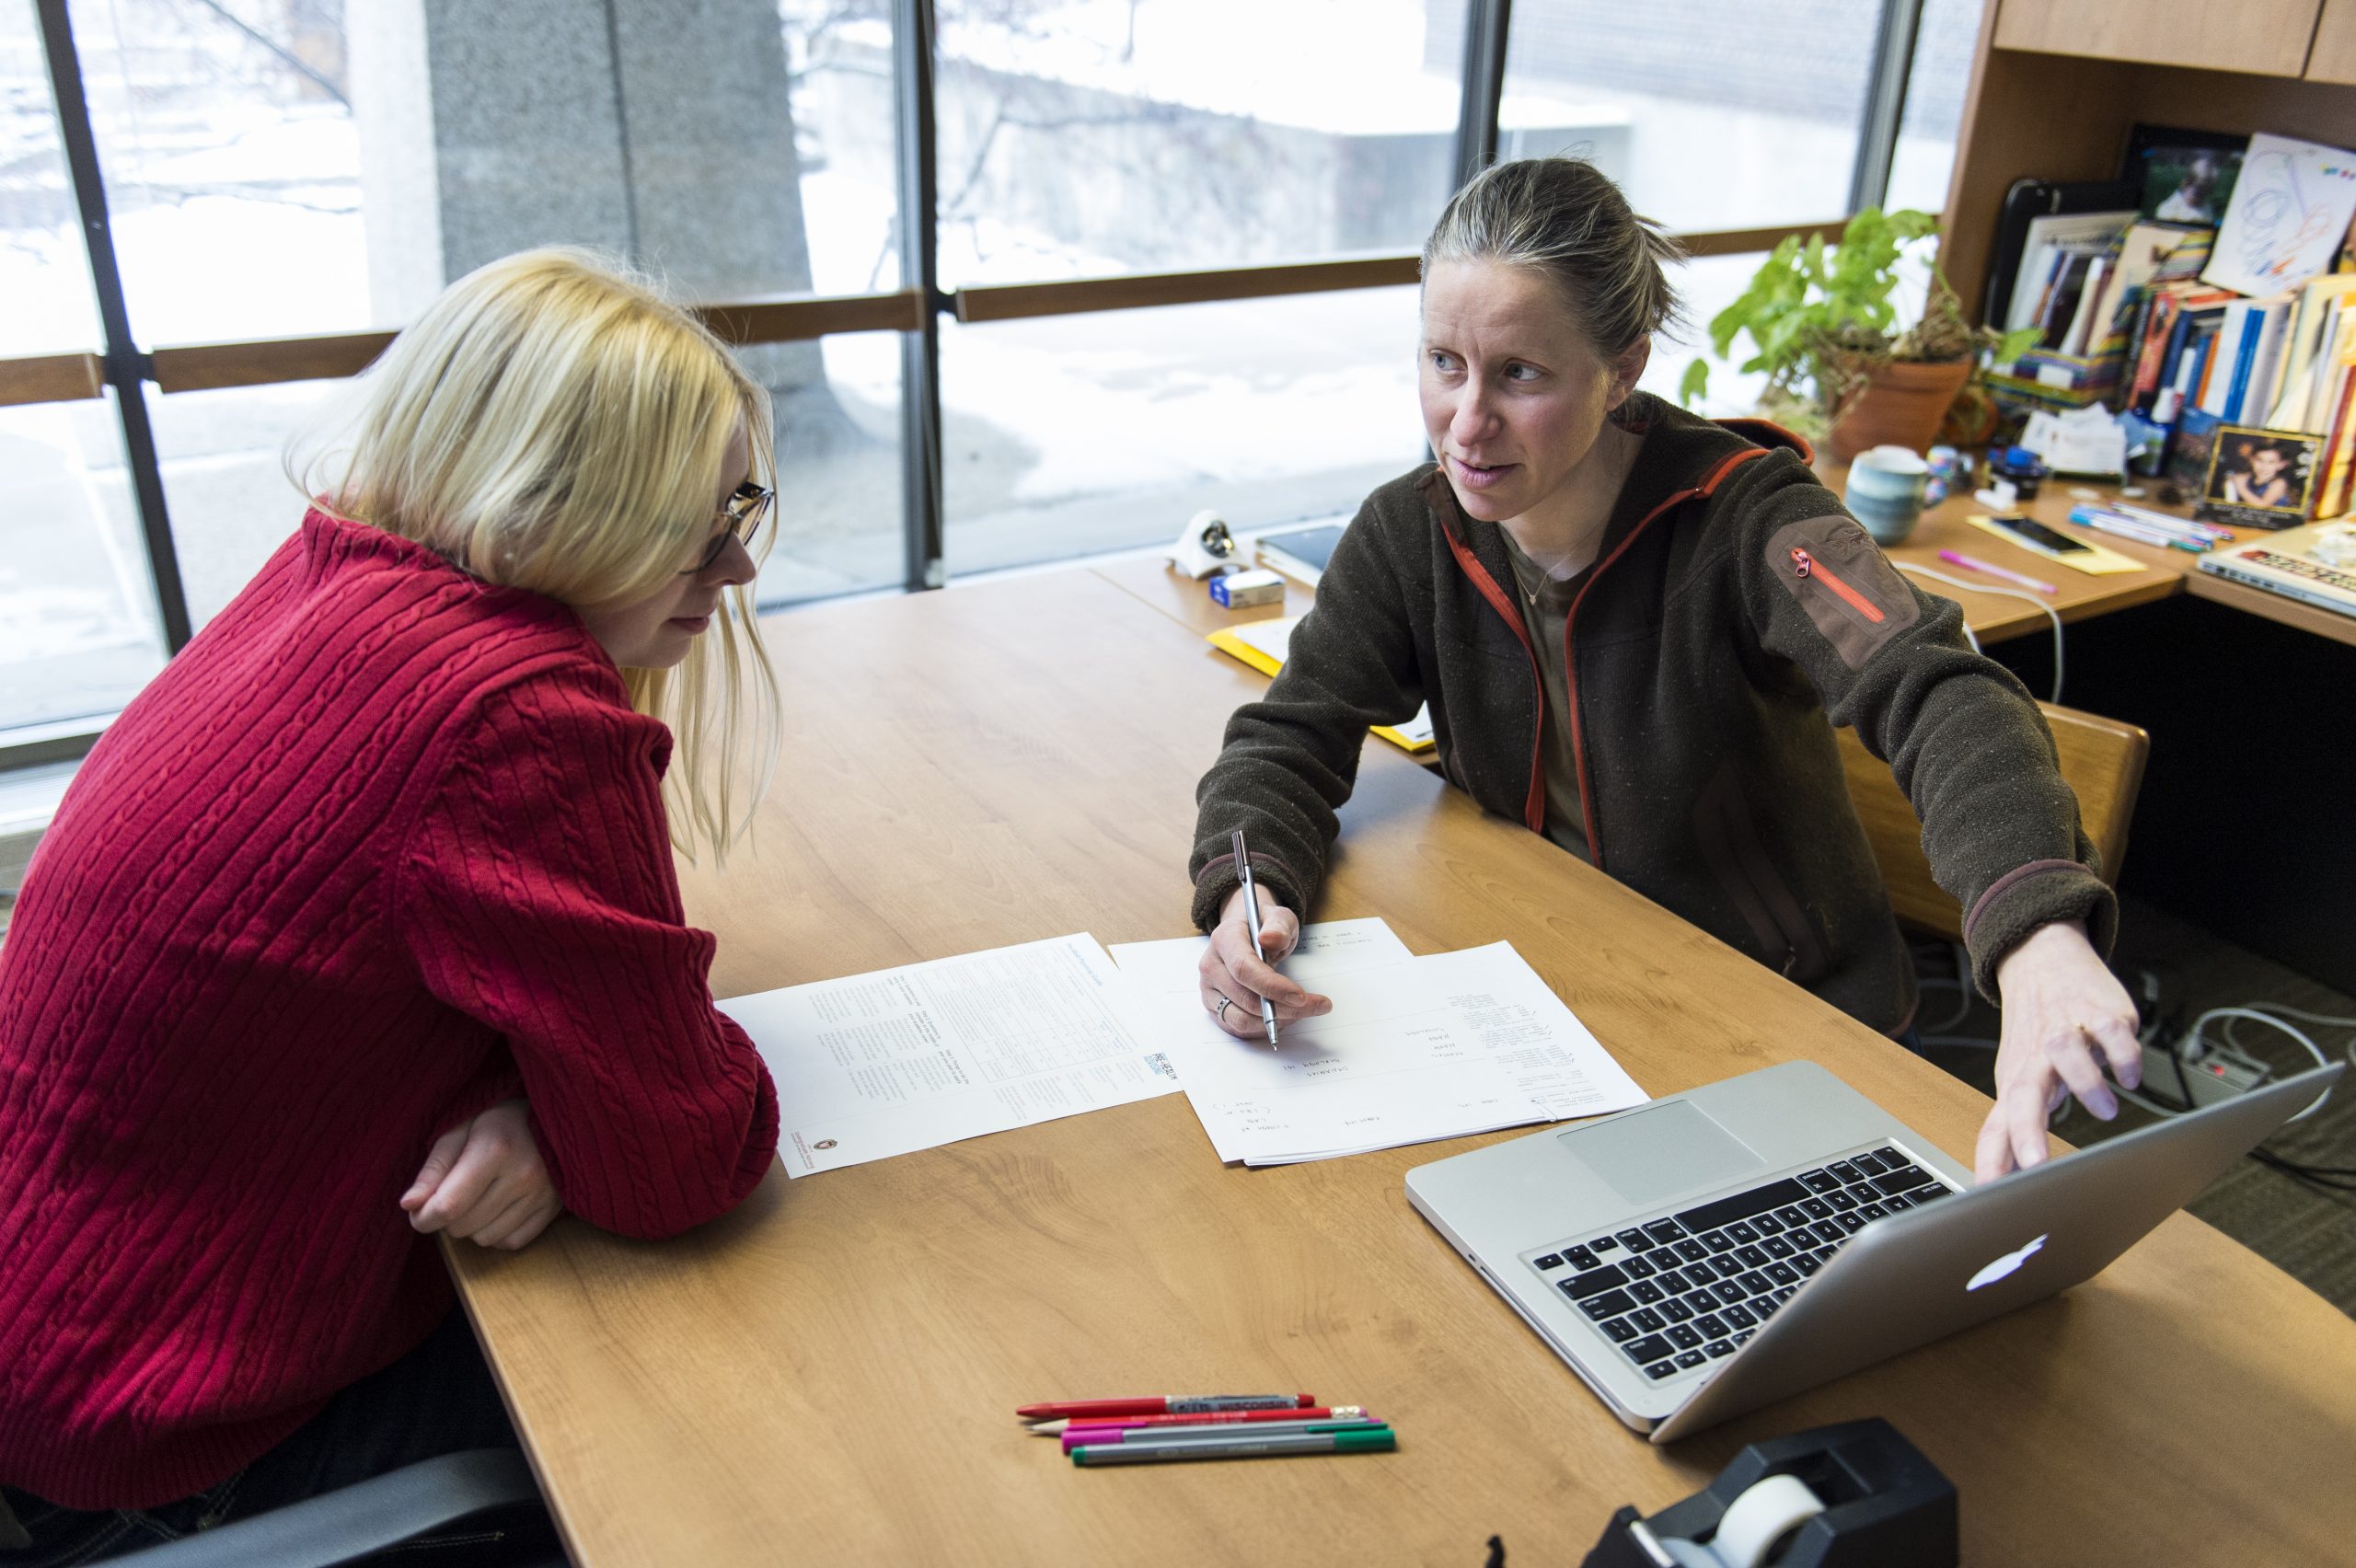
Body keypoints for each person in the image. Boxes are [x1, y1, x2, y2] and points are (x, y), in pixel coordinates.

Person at [0, 248, 785, 1562]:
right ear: (549, 505)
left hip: (56, 1318)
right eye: (695, 528)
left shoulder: (329, 572)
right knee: (730, 1435)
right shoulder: (515, 719)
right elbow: (682, 1158)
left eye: (738, 512)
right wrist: (582, 1117)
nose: (736, 570)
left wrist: (545, 1107)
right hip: (154, 1418)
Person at [1186, 159, 2142, 1187]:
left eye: (1520, 374)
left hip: (1775, 1015)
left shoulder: (1756, 523)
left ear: (1623, 368)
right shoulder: (1409, 532)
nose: (1466, 422)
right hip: (1549, 997)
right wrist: (1250, 890)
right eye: (1443, 362)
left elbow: (1939, 691)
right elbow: (1291, 735)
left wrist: (2036, 934)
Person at [2222, 443, 2295, 509]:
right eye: (2260, 460)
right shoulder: (2248, 477)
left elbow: (2263, 505)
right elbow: (2231, 484)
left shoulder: (2279, 483)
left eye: (2271, 462)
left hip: (2275, 521)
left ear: (2281, 465)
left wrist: (2241, 487)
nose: (2264, 466)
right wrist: (2231, 481)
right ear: (2251, 460)